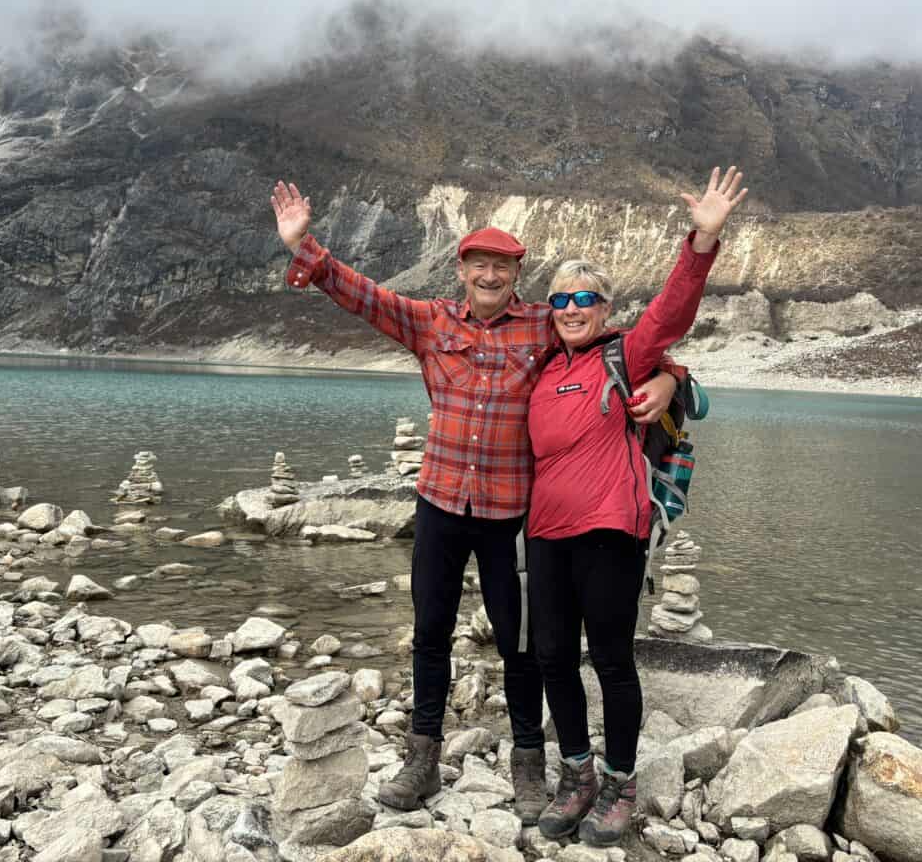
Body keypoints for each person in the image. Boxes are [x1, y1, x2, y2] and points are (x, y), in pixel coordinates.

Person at [269, 180, 681, 821]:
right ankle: (423, 757)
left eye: (503, 266)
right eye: (479, 264)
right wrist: (307, 248)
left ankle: (527, 765)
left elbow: (618, 341)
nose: (490, 275)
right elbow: (364, 297)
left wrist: (665, 375)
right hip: (439, 503)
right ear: (461, 270)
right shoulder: (430, 322)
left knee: (519, 645)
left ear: (517, 275)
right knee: (429, 632)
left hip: (509, 515)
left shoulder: (544, 325)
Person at [527, 165, 748, 846]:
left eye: (585, 297)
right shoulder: (541, 370)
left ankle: (620, 784)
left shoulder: (627, 352)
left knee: (613, 660)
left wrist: (701, 242)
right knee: (555, 658)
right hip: (545, 534)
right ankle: (578, 775)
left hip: (611, 533)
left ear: (605, 308)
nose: (571, 308)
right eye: (561, 298)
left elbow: (674, 310)